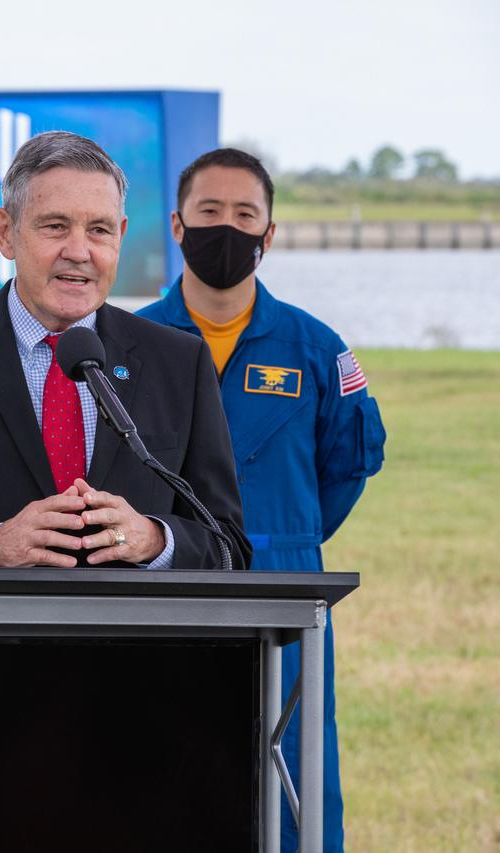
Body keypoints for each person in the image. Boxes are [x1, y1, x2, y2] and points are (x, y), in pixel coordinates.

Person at [0, 131, 249, 573]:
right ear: (5, 232)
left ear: (121, 236)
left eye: (99, 230)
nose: (79, 252)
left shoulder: (179, 362)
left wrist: (154, 539)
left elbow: (229, 547)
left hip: (131, 640)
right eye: (55, 226)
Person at [137, 147, 386, 852]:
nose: (228, 228)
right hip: (162, 585)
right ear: (179, 226)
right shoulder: (129, 340)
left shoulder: (315, 348)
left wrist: (285, 534)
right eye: (209, 212)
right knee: (156, 764)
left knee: (296, 773)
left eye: (245, 215)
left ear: (269, 234)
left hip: (285, 584)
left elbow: (345, 468)